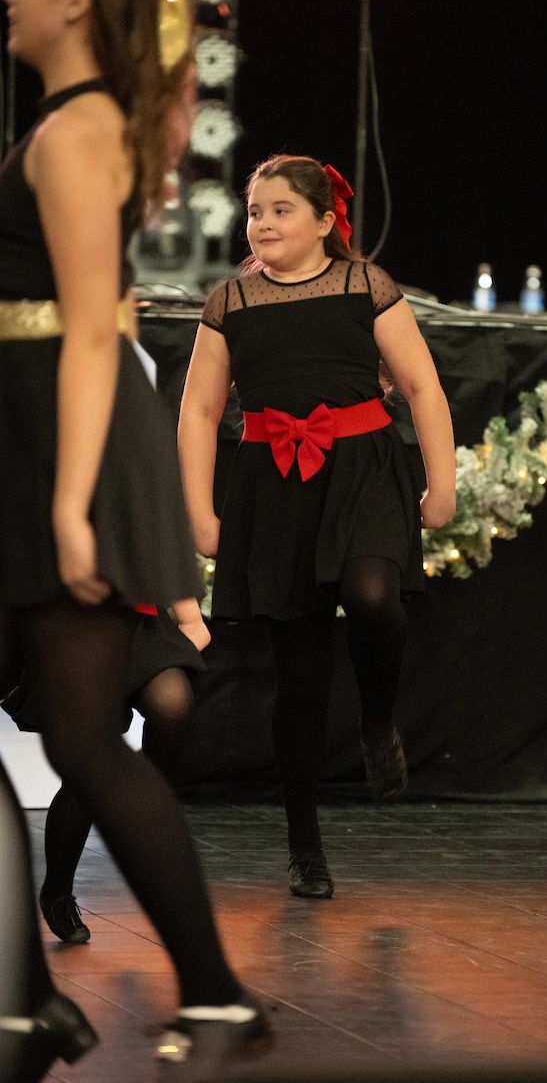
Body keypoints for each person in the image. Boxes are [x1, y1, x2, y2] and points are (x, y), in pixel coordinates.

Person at [0, 0, 271, 1077]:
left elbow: (90, 332)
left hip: (64, 451)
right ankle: (26, 1000)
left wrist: (70, 507)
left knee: (84, 737)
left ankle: (210, 996)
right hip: (38, 438)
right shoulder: (79, 123)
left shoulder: (79, 129)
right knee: (76, 735)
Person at [178, 155, 456, 900]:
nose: (262, 223)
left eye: (281, 210)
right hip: (276, 484)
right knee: (299, 677)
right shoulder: (231, 300)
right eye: (254, 211)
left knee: (373, 594)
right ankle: (305, 848)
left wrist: (442, 483)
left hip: (363, 467)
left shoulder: (365, 285)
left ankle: (377, 720)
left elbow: (422, 385)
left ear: (326, 221)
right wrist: (200, 510)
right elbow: (199, 410)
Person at [2, 602, 208, 946]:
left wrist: (161, 658)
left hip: (142, 630)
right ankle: (57, 890)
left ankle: (138, 805)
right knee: (91, 759)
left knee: (172, 704)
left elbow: (196, 626)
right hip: (71, 626)